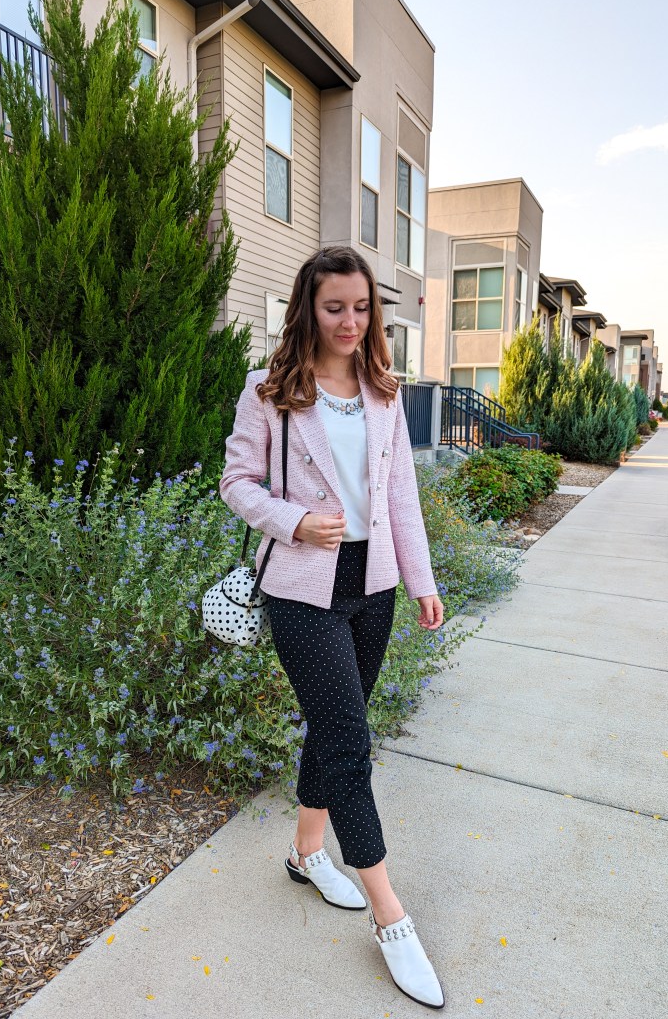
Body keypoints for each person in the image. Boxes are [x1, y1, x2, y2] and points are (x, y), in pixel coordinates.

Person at [219, 246, 445, 1009]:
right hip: (300, 589)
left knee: (330, 729)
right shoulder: (271, 390)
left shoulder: (383, 390)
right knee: (349, 740)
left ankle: (306, 852)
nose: (349, 322)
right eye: (333, 307)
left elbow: (400, 500)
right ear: (307, 309)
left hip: (371, 587)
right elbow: (235, 483)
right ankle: (391, 916)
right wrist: (292, 521)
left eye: (360, 308)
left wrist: (421, 582)